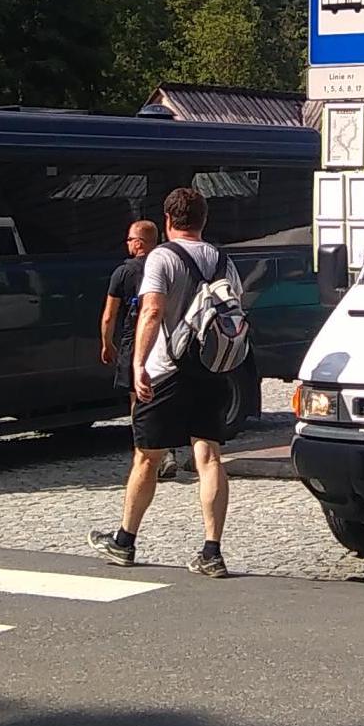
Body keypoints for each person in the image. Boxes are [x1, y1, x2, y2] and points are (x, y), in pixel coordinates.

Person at [90, 186, 241, 577]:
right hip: (211, 369)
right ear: (204, 221)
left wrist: (138, 364)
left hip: (166, 371)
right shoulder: (222, 259)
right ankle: (212, 551)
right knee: (208, 457)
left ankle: (125, 541)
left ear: (168, 221)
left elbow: (152, 311)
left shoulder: (161, 257)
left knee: (147, 456)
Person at [100, 219, 187, 479]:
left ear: (139, 242)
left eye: (129, 239)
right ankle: (169, 450)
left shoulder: (123, 273)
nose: (127, 244)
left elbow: (109, 315)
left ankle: (145, 453)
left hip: (134, 341)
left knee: (138, 402)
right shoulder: (168, 264)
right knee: (165, 397)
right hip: (167, 341)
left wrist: (107, 343)